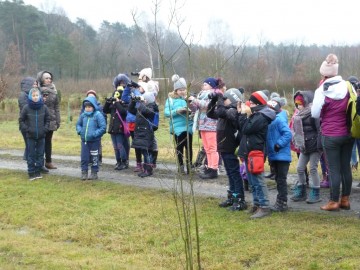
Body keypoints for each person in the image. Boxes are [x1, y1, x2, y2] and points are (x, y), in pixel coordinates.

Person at [311, 53, 354, 211]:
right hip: (348, 133)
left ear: (324, 73)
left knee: (334, 169)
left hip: (330, 134)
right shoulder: (348, 86)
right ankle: (345, 200)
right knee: (345, 168)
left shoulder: (322, 90)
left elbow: (315, 113)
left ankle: (333, 201)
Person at [207, 88, 248, 211]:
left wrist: (219, 99)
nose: (223, 101)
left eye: (225, 98)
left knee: (234, 173)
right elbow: (209, 113)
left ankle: (240, 199)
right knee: (230, 173)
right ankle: (232, 197)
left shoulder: (232, 111)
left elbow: (220, 112)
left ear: (233, 99)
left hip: (230, 146)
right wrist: (213, 100)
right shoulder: (225, 111)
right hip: (224, 146)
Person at [237, 90, 276, 218]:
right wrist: (243, 115)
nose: (250, 105)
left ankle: (264, 206)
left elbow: (246, 129)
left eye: (252, 103)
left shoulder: (261, 116)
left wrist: (244, 115)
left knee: (258, 180)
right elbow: (243, 128)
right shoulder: (256, 115)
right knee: (252, 181)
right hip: (250, 151)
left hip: (256, 151)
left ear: (258, 103)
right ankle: (257, 204)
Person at [290, 91, 322, 204]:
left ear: (306, 102)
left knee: (313, 168)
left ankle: (316, 192)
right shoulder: (298, 115)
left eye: (300, 103)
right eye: (297, 104)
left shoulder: (314, 113)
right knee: (300, 168)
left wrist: (319, 145)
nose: (299, 106)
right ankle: (302, 190)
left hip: (315, 146)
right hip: (304, 146)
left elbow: (320, 130)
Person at [188, 77, 223, 179]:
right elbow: (197, 108)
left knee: (213, 148)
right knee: (207, 148)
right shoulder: (201, 95)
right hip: (203, 124)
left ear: (211, 86)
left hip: (211, 125)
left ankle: (214, 169)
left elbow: (207, 106)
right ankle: (209, 167)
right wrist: (191, 103)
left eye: (205, 84)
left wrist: (195, 100)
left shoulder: (213, 95)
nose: (203, 86)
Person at [266, 98, 292, 212]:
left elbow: (288, 134)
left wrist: (278, 145)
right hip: (274, 154)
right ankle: (280, 201)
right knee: (278, 178)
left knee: (281, 179)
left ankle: (282, 202)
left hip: (281, 155)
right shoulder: (270, 120)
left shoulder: (279, 120)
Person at [164, 74, 194, 174]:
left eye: (184, 89)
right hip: (177, 128)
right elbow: (166, 113)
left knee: (189, 148)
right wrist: (177, 111)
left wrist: (191, 111)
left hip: (188, 126)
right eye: (180, 89)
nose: (182, 91)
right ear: (176, 90)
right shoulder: (171, 100)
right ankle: (180, 166)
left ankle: (190, 167)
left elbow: (195, 109)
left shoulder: (189, 99)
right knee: (179, 148)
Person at [19, 88, 50, 180]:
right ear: (30, 97)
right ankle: (31, 172)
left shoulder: (44, 107)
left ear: (39, 96)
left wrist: (45, 129)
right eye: (33, 96)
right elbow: (21, 120)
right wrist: (27, 129)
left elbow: (47, 119)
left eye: (37, 95)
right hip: (30, 136)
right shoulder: (26, 108)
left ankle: (38, 171)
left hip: (41, 135)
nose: (35, 97)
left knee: (40, 154)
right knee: (31, 154)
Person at [128, 90, 159, 177]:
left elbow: (147, 112)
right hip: (140, 132)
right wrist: (133, 101)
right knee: (143, 151)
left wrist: (141, 102)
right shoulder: (142, 108)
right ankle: (146, 169)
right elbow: (130, 109)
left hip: (146, 133)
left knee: (146, 152)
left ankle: (148, 170)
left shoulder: (152, 108)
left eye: (144, 99)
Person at [104, 75, 131, 171]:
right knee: (115, 147)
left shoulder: (127, 100)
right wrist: (108, 102)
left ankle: (124, 161)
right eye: (120, 84)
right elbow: (105, 110)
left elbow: (124, 112)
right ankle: (118, 161)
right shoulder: (114, 99)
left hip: (121, 127)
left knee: (120, 145)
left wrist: (117, 102)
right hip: (113, 127)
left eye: (123, 83)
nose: (121, 85)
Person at [76, 96, 106, 180]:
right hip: (84, 141)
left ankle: (94, 172)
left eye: (89, 107)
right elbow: (78, 124)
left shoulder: (98, 115)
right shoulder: (83, 115)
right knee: (84, 157)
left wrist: (95, 134)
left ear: (93, 106)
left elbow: (103, 127)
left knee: (94, 157)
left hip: (94, 141)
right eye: (86, 107)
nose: (87, 108)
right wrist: (80, 131)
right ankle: (84, 172)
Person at [37, 71, 61, 170]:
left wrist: (58, 120)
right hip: (41, 120)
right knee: (40, 142)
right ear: (42, 79)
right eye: (46, 78)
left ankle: (48, 161)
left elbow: (57, 107)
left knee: (48, 141)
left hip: (51, 119)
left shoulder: (54, 91)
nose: (49, 80)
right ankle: (39, 162)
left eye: (50, 78)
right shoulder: (37, 91)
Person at [18, 77, 38, 161]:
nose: (35, 86)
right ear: (28, 85)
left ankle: (28, 159)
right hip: (26, 123)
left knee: (30, 144)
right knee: (30, 144)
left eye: (36, 84)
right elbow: (26, 109)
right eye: (33, 84)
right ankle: (30, 162)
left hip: (30, 123)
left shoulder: (31, 95)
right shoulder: (23, 95)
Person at [85, 90, 106, 165]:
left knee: (98, 144)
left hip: (97, 128)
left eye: (92, 96)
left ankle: (98, 158)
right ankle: (89, 159)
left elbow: (103, 117)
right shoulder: (84, 107)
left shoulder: (99, 106)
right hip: (87, 129)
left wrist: (102, 129)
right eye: (89, 96)